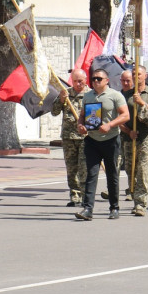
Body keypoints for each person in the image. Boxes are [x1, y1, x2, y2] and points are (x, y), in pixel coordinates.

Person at [75, 69, 130, 221]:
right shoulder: (88, 96)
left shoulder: (115, 95)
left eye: (99, 78)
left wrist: (110, 125)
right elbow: (82, 117)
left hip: (110, 139)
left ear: (107, 80)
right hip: (92, 140)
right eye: (93, 79)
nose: (96, 81)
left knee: (112, 174)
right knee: (91, 174)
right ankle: (87, 209)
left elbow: (125, 115)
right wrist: (81, 126)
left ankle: (114, 207)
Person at [121, 66, 148, 216]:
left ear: (145, 76)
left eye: (138, 74)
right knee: (131, 171)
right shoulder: (126, 94)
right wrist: (127, 131)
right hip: (129, 138)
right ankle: (134, 198)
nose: (135, 76)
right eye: (133, 74)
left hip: (147, 138)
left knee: (144, 171)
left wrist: (143, 103)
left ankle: (140, 204)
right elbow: (119, 117)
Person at [52, 68, 89, 207]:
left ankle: (86, 196)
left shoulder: (91, 94)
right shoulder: (66, 93)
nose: (78, 84)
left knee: (84, 168)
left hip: (85, 137)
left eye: (80, 81)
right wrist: (61, 100)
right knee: (71, 168)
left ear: (85, 80)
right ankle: (75, 195)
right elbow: (54, 112)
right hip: (69, 137)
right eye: (75, 81)